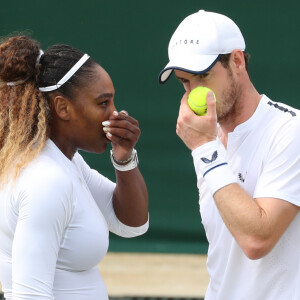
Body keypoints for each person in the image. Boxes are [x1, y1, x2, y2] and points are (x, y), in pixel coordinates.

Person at [159, 10, 300, 300]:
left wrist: (204, 149)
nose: (194, 93)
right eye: (185, 82)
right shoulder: (208, 137)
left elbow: (256, 240)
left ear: (237, 61)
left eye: (202, 76)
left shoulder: (291, 130)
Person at [0, 35, 149, 300]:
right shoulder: (46, 180)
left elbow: (131, 223)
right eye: (103, 103)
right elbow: (29, 295)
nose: (115, 114)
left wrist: (124, 157)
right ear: (62, 107)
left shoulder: (65, 162)